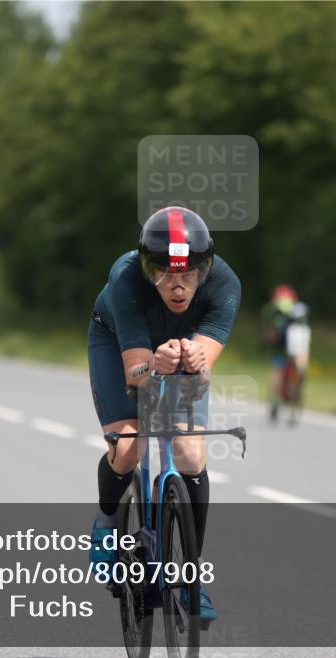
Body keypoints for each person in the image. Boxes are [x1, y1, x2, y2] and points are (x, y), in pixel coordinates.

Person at [87, 206, 241, 623]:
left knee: (190, 454)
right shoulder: (126, 278)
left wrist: (196, 361)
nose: (177, 285)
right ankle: (106, 522)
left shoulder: (225, 284)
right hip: (118, 342)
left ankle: (191, 575)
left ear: (204, 270)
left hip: (177, 352)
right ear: (147, 269)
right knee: (128, 447)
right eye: (164, 273)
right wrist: (154, 364)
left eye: (189, 274)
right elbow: (135, 374)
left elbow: (201, 375)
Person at [261, 284, 297, 422]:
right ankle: (294, 395)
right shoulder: (296, 309)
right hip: (296, 348)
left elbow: (271, 332)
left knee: (277, 373)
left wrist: (266, 343)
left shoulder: (273, 309)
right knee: (296, 371)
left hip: (279, 349)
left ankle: (274, 401)